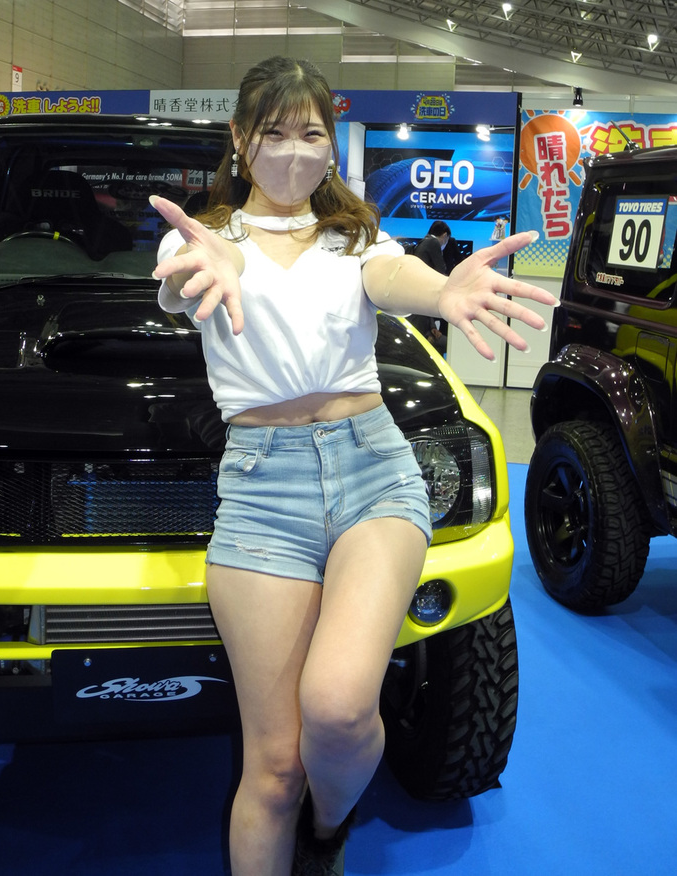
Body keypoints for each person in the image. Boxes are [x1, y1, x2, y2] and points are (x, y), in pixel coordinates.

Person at [151, 55, 557, 876]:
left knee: (338, 709)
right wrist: (214, 264)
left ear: (331, 145)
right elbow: (188, 280)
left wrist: (442, 293)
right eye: (275, 132)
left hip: (374, 469)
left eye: (311, 134)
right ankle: (300, 821)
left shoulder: (353, 237)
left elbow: (390, 275)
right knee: (273, 765)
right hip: (262, 492)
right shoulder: (203, 240)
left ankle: (330, 827)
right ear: (240, 137)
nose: (294, 151)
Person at [410, 225, 449, 353]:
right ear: (445, 235)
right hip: (421, 324)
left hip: (421, 315)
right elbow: (441, 269)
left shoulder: (423, 242)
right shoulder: (433, 242)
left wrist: (432, 327)